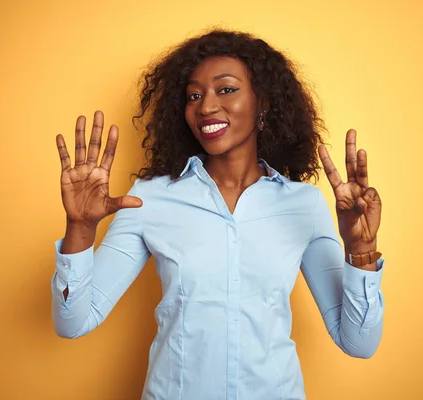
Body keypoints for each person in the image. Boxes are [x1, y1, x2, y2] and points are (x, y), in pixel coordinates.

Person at [51, 29, 385, 400]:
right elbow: (75, 321)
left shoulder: (304, 205)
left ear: (264, 104)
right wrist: (79, 229)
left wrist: (362, 249)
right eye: (194, 95)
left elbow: (359, 342)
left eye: (226, 89)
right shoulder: (151, 198)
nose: (206, 106)